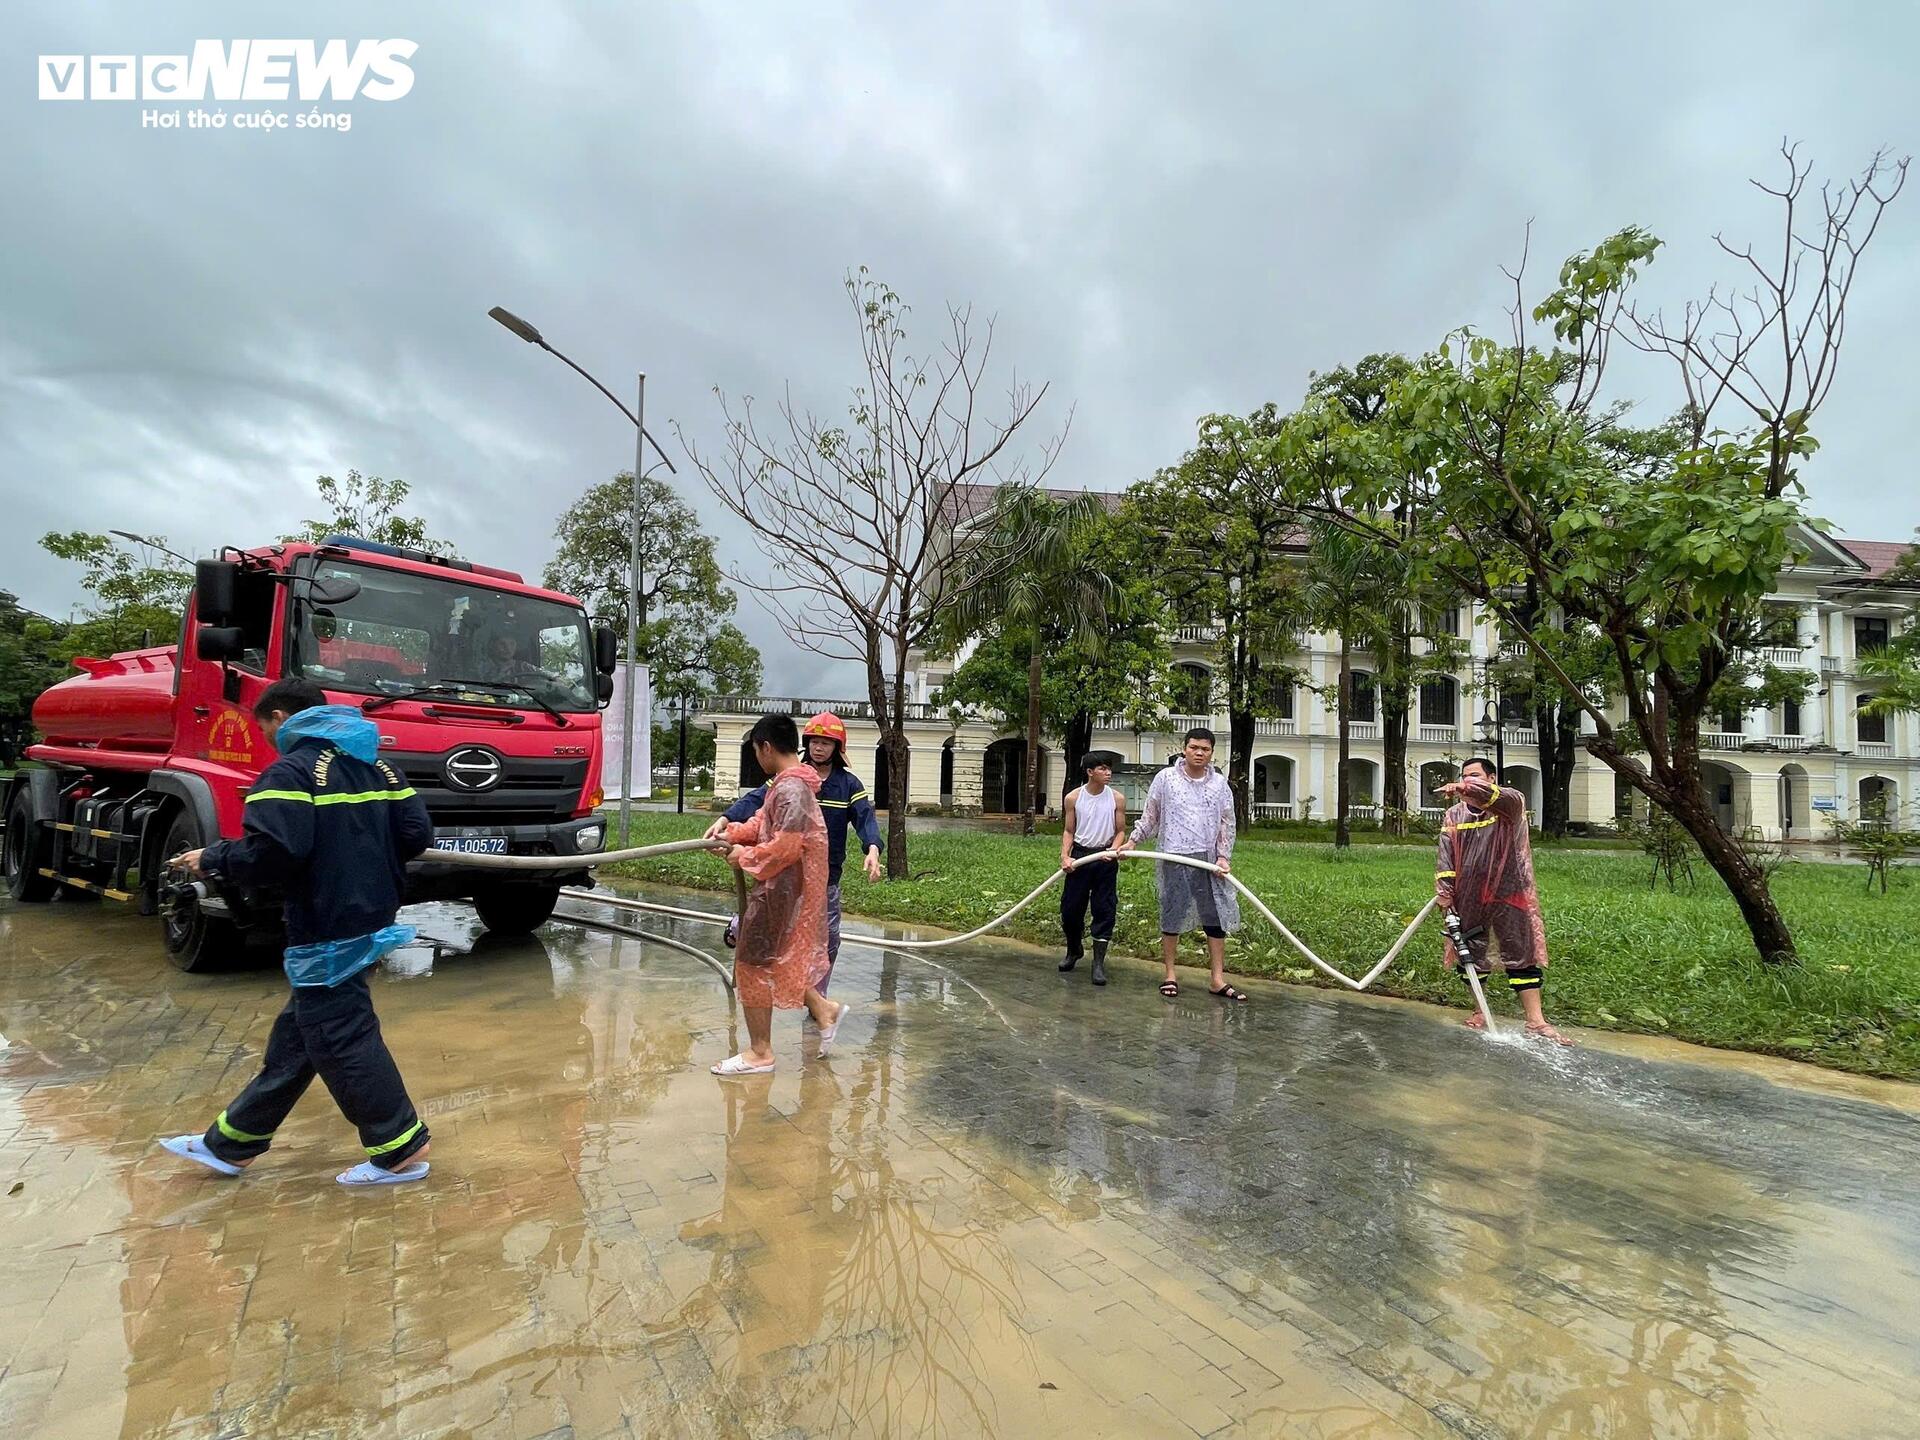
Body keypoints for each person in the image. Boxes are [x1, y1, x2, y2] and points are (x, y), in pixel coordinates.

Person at [160, 677, 439, 1186]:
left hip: (323, 924)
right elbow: (417, 834)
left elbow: (273, 853)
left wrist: (211, 857)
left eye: (264, 726)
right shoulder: (380, 766)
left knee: (342, 1036)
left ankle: (399, 1145)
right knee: (300, 1039)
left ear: (282, 719)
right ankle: (232, 1145)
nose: (266, 737)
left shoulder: (287, 772)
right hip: (370, 918)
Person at [708, 713, 850, 1075]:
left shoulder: (791, 789)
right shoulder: (787, 785)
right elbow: (764, 822)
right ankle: (823, 1009)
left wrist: (744, 856)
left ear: (766, 747)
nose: (757, 757)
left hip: (781, 889)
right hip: (781, 887)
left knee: (752, 962)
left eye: (756, 750)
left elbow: (785, 847)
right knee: (776, 958)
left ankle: (760, 1053)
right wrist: (734, 834)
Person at [707, 711, 882, 993]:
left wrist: (872, 849)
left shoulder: (849, 786)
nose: (819, 747)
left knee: (826, 938)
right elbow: (756, 801)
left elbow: (865, 818)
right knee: (770, 919)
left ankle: (818, 995)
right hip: (785, 871)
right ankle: (741, 924)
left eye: (826, 743)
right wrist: (726, 819)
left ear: (837, 748)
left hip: (825, 877)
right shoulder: (791, 779)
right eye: (814, 741)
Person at [1433, 757, 1572, 1045]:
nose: (1468, 781)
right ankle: (1479, 1010)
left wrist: (1465, 787)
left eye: (1475, 776)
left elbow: (1496, 797)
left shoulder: (1510, 804)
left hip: (1510, 890)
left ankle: (1536, 1021)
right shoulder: (1455, 816)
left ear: (1492, 778)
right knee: (1470, 952)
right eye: (1464, 776)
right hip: (1468, 894)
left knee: (1520, 951)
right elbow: (1446, 855)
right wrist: (1445, 890)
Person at [1116, 728, 1248, 1002]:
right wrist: (1133, 841)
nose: (1199, 753)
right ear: (1184, 748)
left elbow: (1227, 822)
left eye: (1205, 749)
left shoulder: (1219, 784)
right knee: (1172, 913)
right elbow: (1151, 815)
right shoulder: (1166, 779)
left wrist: (1223, 856)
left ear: (1212, 753)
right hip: (1173, 857)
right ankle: (1170, 975)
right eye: (1194, 747)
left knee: (1214, 918)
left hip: (1208, 861)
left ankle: (1217, 979)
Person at [1058, 751, 1127, 986]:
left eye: (1109, 769)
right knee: (1070, 910)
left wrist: (1113, 849)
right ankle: (1074, 950)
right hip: (1080, 858)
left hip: (1105, 859)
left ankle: (1098, 963)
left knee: (1104, 909)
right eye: (1102, 769)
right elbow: (1069, 830)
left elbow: (1120, 831)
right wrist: (1065, 856)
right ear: (1090, 772)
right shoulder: (1074, 798)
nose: (1108, 773)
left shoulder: (1116, 798)